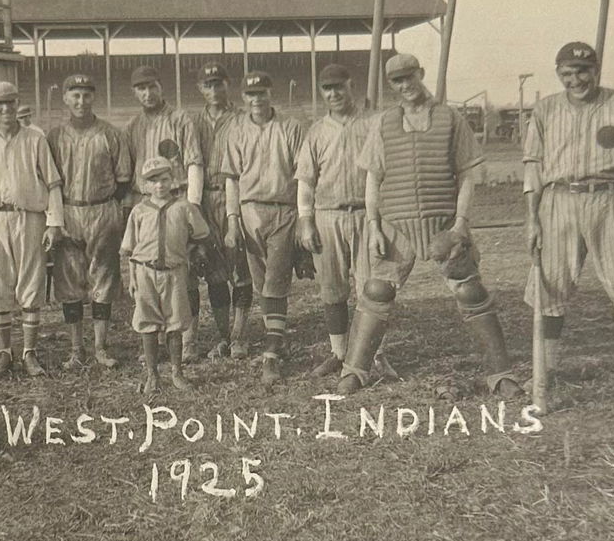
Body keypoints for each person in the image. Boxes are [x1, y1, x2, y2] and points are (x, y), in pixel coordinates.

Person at [344, 52, 518, 397]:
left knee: (469, 290)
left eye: (409, 76)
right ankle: (354, 371)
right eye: (397, 80)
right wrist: (374, 226)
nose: (405, 85)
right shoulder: (384, 123)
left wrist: (461, 224)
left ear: (421, 74)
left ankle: (501, 375)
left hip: (442, 220)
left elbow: (467, 175)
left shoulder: (449, 118)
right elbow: (372, 179)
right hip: (396, 221)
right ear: (390, 85)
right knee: (377, 290)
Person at [522, 41, 614, 401]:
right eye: (567, 73)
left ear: (596, 70)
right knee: (549, 289)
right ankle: (544, 373)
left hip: (609, 199)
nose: (575, 80)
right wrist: (532, 219)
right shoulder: (545, 109)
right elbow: (533, 168)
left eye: (582, 71)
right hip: (557, 202)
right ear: (558, 74)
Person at [0, 80, 66, 380]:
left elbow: (53, 183)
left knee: (30, 283)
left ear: (17, 104)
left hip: (29, 217)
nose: (5, 108)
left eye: (10, 102)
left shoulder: (35, 139)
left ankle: (29, 353)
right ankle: (4, 354)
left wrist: (54, 223)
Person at [221, 70, 308, 386]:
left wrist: (303, 217)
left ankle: (271, 353)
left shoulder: (290, 127)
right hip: (249, 212)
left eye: (261, 93)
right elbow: (231, 179)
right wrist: (232, 221)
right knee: (261, 285)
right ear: (243, 97)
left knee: (276, 282)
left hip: (283, 209)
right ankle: (276, 336)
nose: (256, 99)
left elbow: (303, 175)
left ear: (271, 93)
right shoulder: (236, 129)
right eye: (250, 94)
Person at [46, 72, 132, 370]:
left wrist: (109, 209)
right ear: (66, 98)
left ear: (93, 97)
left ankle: (100, 347)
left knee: (103, 280)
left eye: (86, 95)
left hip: (102, 209)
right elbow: (48, 181)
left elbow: (124, 179)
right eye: (75, 95)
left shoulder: (110, 134)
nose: (81, 101)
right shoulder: (54, 137)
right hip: (68, 211)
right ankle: (76, 349)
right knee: (69, 282)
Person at [124, 65, 209, 360]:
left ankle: (188, 340)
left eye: (152, 86)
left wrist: (193, 205)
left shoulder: (180, 119)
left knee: (183, 275)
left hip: (178, 200)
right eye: (141, 88)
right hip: (147, 206)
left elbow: (194, 163)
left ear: (161, 87)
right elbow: (130, 172)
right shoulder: (133, 126)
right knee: (149, 275)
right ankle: (157, 340)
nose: (147, 93)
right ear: (134, 92)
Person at [296, 64, 373, 377]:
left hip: (367, 213)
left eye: (338, 86)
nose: (334, 93)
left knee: (372, 288)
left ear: (350, 85)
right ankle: (339, 353)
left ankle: (374, 354)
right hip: (328, 214)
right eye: (327, 89)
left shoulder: (372, 123)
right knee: (332, 287)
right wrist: (306, 221)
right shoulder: (316, 131)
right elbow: (306, 182)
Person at [120, 156, 210, 396]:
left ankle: (177, 372)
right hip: (145, 272)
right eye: (153, 181)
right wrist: (132, 278)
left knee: (175, 322)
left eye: (164, 179)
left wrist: (188, 254)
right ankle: (152, 374)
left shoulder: (184, 207)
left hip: (174, 272)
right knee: (148, 322)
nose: (159, 185)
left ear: (173, 180)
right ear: (145, 185)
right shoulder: (139, 211)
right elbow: (130, 249)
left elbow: (201, 234)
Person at [194, 63, 253, 360]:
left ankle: (240, 335)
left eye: (219, 83)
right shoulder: (193, 122)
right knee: (213, 272)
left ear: (228, 84)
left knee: (240, 268)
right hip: (203, 198)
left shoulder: (243, 119)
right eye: (208, 85)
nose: (214, 89)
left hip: (235, 196)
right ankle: (223, 336)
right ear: (200, 88)